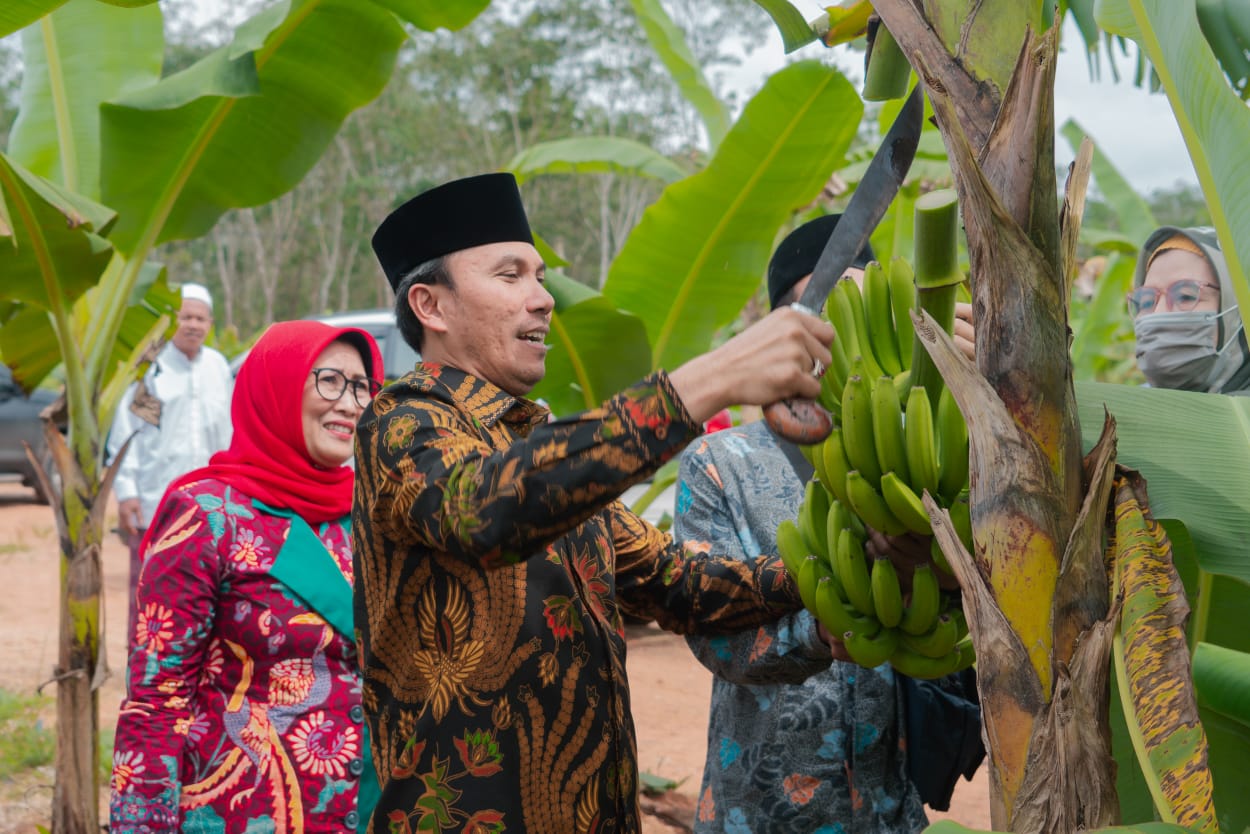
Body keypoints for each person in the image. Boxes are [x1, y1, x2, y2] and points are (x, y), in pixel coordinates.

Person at [352, 172, 841, 833]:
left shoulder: (548, 459)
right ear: (431, 306)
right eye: (510, 275)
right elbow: (482, 510)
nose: (542, 298)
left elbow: (679, 581)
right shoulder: (401, 425)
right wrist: (709, 380)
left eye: (540, 276)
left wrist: (831, 569)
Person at [675, 214, 981, 833]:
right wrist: (819, 631)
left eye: (861, 302)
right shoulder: (719, 464)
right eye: (821, 307)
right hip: (761, 811)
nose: (841, 328)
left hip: (891, 809)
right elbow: (713, 637)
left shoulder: (930, 453)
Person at [109, 320, 385, 834]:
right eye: (329, 381)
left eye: (362, 386)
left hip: (363, 810)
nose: (350, 404)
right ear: (277, 386)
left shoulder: (370, 511)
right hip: (241, 813)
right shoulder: (207, 515)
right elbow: (157, 702)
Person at [109, 282, 234, 652]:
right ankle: (143, 662)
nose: (193, 324)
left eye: (200, 318)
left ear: (210, 324)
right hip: (156, 500)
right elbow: (128, 431)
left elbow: (230, 431)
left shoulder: (217, 367)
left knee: (208, 589)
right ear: (172, 320)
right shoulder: (152, 367)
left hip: (212, 501)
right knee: (149, 589)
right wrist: (127, 492)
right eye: (185, 317)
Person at [1129, 226, 1250, 393]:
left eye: (1185, 296)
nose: (1158, 313)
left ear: (1238, 308)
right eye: (1147, 302)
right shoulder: (1126, 405)